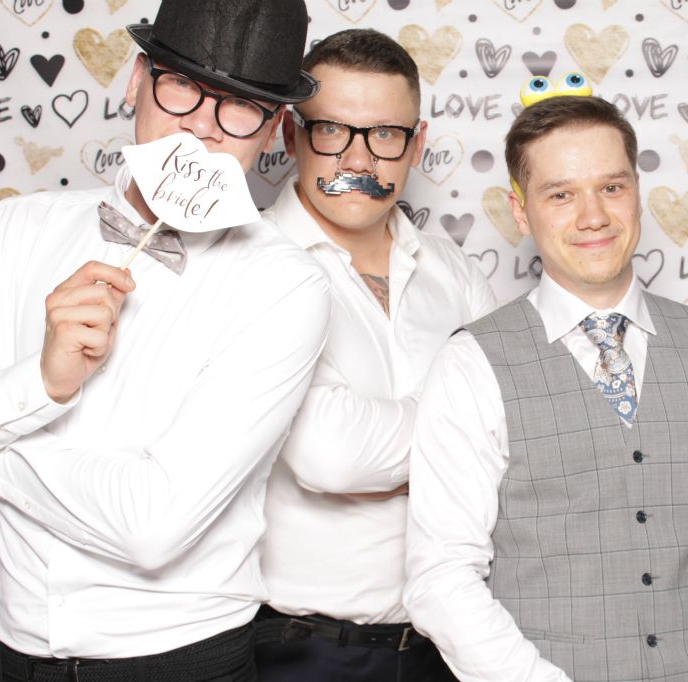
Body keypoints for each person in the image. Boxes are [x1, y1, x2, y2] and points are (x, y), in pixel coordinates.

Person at [0, 0, 329, 679]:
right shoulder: (14, 231)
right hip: (10, 651)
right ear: (137, 80)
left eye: (241, 106)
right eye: (182, 86)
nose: (202, 126)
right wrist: (44, 384)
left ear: (272, 131)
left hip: (179, 660)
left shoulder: (286, 286)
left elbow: (154, 527)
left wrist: (4, 438)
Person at [404, 95, 688, 682]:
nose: (593, 217)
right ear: (521, 212)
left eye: (611, 187)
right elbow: (442, 575)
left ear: (637, 192)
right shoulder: (471, 363)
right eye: (561, 195)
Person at [254, 29, 497, 682]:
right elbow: (330, 456)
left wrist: (397, 437)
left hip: (455, 643)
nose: (358, 159)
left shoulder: (456, 273)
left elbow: (517, 436)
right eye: (332, 130)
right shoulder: (249, 269)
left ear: (416, 143)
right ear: (291, 135)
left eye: (385, 134)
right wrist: (460, 433)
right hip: (304, 650)